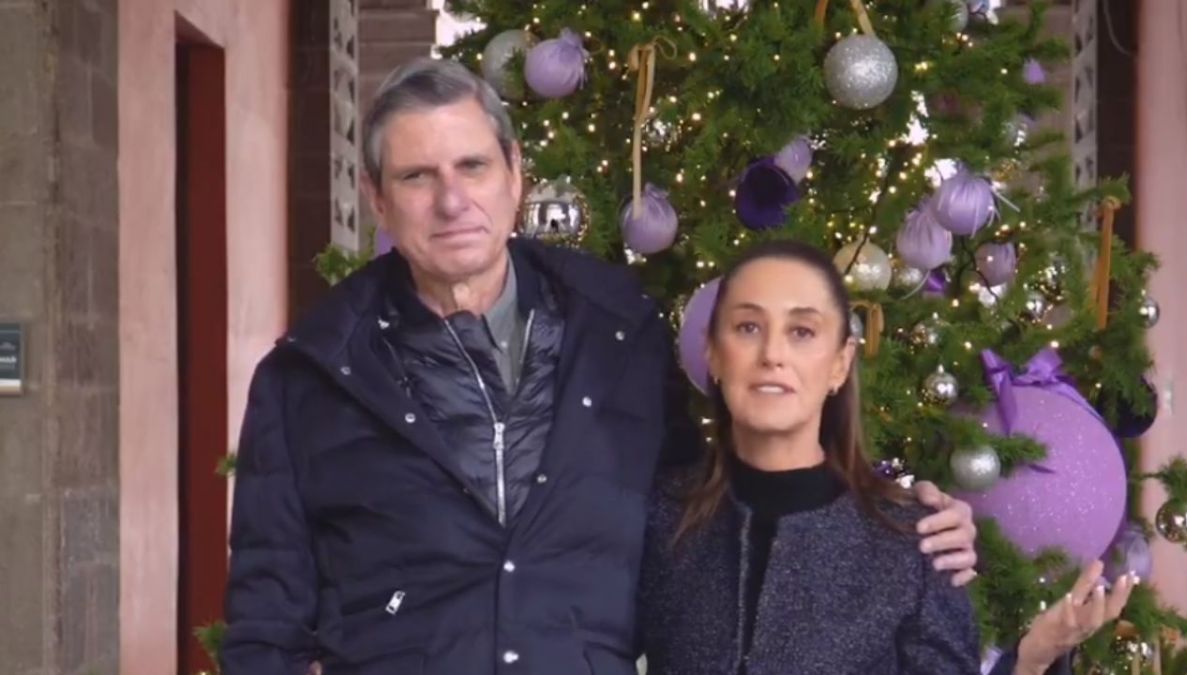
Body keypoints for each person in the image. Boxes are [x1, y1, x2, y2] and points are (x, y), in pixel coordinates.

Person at [218, 58, 979, 674]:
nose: (452, 200)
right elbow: (264, 629)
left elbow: (708, 510)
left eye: (473, 166)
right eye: (418, 177)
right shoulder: (309, 378)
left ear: (514, 175)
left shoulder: (615, 329)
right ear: (379, 199)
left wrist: (903, 524)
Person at [637, 241, 1136, 675]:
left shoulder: (915, 541)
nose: (772, 354)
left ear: (840, 363)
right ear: (715, 354)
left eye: (802, 332)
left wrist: (1028, 661)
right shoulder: (656, 518)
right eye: (748, 327)